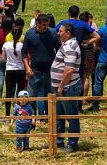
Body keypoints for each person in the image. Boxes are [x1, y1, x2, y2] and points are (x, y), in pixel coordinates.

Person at [51, 23, 82, 152]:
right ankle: (59, 141)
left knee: (70, 115)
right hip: (62, 87)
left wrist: (61, 86)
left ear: (68, 33)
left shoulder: (70, 46)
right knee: (59, 115)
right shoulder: (66, 45)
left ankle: (72, 143)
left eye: (61, 31)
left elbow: (69, 70)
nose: (58, 33)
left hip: (68, 87)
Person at [21, 14, 58, 117]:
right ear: (37, 24)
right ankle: (33, 120)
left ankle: (48, 119)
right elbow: (24, 52)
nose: (46, 27)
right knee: (32, 97)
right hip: (34, 70)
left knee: (50, 97)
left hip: (50, 70)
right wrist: (27, 67)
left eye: (47, 24)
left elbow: (59, 50)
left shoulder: (52, 33)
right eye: (44, 25)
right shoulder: (30, 34)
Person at [0, 26, 25, 117]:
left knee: (9, 92)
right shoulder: (22, 45)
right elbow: (24, 59)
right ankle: (20, 112)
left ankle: (7, 113)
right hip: (20, 70)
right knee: (20, 91)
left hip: (10, 70)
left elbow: (3, 59)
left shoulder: (6, 45)